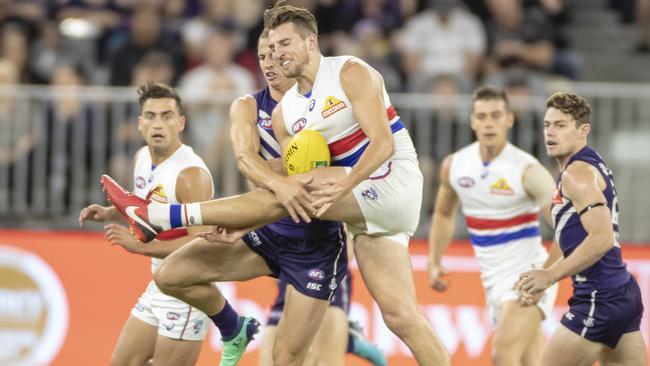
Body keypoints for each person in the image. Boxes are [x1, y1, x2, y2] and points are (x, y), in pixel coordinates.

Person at [101, 4, 450, 365]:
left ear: (311, 42)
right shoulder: (287, 113)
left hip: (392, 182)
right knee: (401, 318)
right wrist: (244, 223)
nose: (276, 55)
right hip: (357, 210)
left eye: (284, 44)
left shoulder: (349, 71)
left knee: (299, 189)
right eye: (269, 49)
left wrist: (345, 187)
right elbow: (285, 178)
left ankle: (158, 216)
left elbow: (382, 143)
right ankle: (232, 322)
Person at [240, 30, 385, 366]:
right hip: (285, 240)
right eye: (263, 56)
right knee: (276, 358)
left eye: (276, 53)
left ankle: (345, 332)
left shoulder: (323, 105)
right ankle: (349, 335)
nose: (270, 62)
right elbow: (255, 176)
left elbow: (342, 174)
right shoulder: (253, 109)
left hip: (325, 239)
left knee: (324, 358)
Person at [79, 83, 215, 366]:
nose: (158, 124)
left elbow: (202, 244)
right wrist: (109, 212)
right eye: (151, 116)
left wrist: (140, 247)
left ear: (181, 123)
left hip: (189, 290)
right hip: (160, 284)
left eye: (167, 116)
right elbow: (145, 210)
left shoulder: (190, 175)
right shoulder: (142, 157)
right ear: (140, 123)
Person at [428, 86, 559, 366]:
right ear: (473, 121)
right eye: (482, 116)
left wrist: (547, 274)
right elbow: (442, 213)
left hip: (527, 275)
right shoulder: (455, 165)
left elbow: (567, 227)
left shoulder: (527, 170)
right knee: (530, 361)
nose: (489, 123)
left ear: (509, 120)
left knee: (503, 354)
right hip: (492, 279)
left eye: (496, 115)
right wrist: (434, 260)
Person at [517, 92, 647, 366]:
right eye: (547, 125)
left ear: (583, 130)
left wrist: (550, 276)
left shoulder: (577, 174)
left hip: (598, 298)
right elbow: (569, 237)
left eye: (560, 125)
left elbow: (602, 239)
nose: (550, 133)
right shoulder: (584, 166)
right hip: (621, 292)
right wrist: (543, 278)